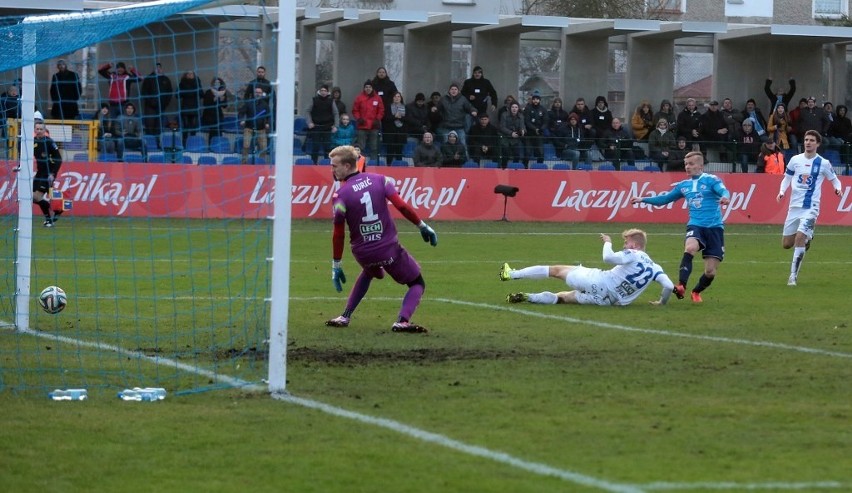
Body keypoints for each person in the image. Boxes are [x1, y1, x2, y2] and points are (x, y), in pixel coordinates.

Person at [324, 145, 438, 333]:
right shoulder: (382, 181)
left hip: (363, 253)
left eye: (334, 166)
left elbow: (338, 232)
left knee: (370, 271)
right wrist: (422, 226)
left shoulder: (340, 196)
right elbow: (402, 207)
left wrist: (336, 264)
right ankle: (402, 321)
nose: (332, 170)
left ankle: (345, 316)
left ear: (346, 166)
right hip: (388, 249)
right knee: (417, 283)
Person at [630, 151, 731, 303]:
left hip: (715, 228)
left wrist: (725, 197)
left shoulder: (711, 180)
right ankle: (681, 285)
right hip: (695, 224)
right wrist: (642, 199)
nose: (687, 167)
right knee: (690, 248)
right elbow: (664, 199)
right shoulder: (683, 186)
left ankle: (696, 291)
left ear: (700, 165)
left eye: (691, 164)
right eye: (686, 164)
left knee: (710, 272)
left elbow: (723, 190)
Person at [500, 229, 673, 307]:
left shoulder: (634, 254)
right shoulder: (655, 267)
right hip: (607, 301)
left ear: (635, 245)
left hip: (599, 281)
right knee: (562, 298)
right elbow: (669, 286)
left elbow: (608, 258)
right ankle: (527, 297)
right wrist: (661, 303)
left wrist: (608, 243)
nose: (625, 245)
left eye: (626, 242)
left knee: (555, 270)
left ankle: (511, 274)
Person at [776, 130, 842, 286]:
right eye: (806, 139)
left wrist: (838, 189)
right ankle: (807, 239)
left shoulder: (823, 163)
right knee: (786, 244)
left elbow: (835, 180)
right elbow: (787, 178)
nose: (808, 142)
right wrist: (781, 191)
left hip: (811, 207)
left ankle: (793, 276)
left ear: (818, 144)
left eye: (812, 140)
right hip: (794, 207)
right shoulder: (795, 160)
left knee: (799, 237)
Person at [32, 122, 62, 227]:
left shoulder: (49, 142)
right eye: (37, 129)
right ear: (34, 130)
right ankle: (52, 215)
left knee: (36, 196)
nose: (39, 131)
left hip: (48, 173)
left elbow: (59, 159)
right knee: (30, 197)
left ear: (45, 131)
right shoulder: (32, 142)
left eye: (41, 129)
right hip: (40, 172)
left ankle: (52, 215)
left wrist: (53, 174)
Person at [305, 84, 339, 164]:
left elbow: (336, 113)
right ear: (319, 91)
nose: (323, 92)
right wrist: (309, 122)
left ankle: (327, 164)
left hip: (327, 127)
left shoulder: (331, 101)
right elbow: (307, 111)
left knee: (327, 147)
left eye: (325, 91)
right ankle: (314, 163)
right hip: (316, 127)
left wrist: (336, 126)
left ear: (328, 92)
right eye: (322, 91)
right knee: (315, 146)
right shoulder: (314, 100)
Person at [351, 80, 384, 160]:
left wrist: (377, 119)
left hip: (374, 126)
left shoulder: (378, 98)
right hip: (362, 126)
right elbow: (355, 110)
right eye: (366, 87)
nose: (368, 88)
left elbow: (381, 110)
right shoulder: (359, 98)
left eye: (369, 87)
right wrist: (359, 118)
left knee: (374, 147)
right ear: (364, 88)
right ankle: (360, 163)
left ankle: (374, 164)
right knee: (360, 147)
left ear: (372, 88)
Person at [140, 62, 173, 136]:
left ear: (161, 69)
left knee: (159, 127)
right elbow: (144, 92)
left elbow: (169, 93)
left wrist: (165, 103)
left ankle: (158, 144)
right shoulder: (149, 79)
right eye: (156, 68)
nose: (158, 69)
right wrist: (151, 102)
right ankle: (150, 143)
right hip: (150, 108)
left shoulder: (166, 79)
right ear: (153, 69)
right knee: (149, 125)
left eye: (159, 68)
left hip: (161, 107)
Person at [238, 86, 271, 162]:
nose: (258, 94)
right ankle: (244, 163)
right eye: (256, 92)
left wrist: (268, 123)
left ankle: (260, 162)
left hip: (261, 129)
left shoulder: (265, 105)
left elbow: (269, 116)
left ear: (262, 94)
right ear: (254, 93)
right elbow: (241, 113)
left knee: (264, 148)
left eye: (259, 93)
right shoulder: (248, 103)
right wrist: (241, 120)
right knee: (246, 146)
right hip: (248, 128)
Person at [177, 70, 204, 146]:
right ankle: (184, 144)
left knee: (193, 127)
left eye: (192, 73)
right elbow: (177, 95)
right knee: (185, 127)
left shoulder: (197, 83)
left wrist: (197, 86)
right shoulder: (182, 83)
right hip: (185, 108)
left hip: (194, 108)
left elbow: (202, 94)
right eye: (188, 74)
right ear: (186, 75)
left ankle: (192, 144)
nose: (190, 75)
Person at [381, 91, 406, 163]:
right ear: (392, 98)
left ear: (401, 98)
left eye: (398, 96)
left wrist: (400, 117)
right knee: (390, 151)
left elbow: (408, 119)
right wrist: (394, 117)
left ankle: (399, 168)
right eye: (395, 96)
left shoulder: (405, 107)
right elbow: (385, 118)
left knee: (399, 151)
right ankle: (388, 167)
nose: (397, 98)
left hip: (401, 132)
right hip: (390, 132)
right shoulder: (388, 107)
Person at [498, 101, 525, 168]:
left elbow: (522, 126)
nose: (514, 109)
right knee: (505, 152)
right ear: (510, 108)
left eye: (516, 107)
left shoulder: (521, 116)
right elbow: (502, 127)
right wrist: (511, 133)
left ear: (518, 108)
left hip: (515, 137)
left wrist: (522, 130)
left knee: (517, 154)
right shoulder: (504, 114)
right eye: (513, 107)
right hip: (505, 136)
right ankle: (503, 168)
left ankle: (515, 168)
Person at [201, 77, 228, 142]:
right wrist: (214, 100)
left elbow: (225, 106)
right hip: (209, 115)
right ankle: (211, 146)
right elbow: (205, 104)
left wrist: (222, 101)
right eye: (216, 82)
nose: (217, 84)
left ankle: (218, 146)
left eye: (219, 82)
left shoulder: (222, 92)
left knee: (219, 131)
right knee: (213, 131)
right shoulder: (208, 92)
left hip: (218, 115)